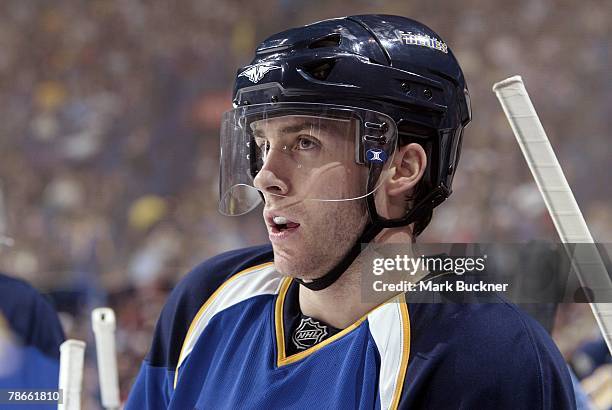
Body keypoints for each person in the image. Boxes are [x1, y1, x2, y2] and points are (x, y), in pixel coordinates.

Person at [126, 15, 575, 409]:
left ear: (402, 168)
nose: (266, 177)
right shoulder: (209, 298)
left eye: (305, 143)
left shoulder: (486, 358)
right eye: (263, 145)